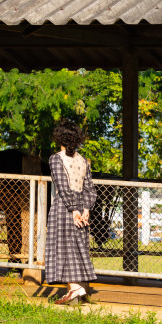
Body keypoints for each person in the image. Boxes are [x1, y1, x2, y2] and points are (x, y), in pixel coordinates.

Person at [45, 119, 97, 304]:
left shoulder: (56, 159)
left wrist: (73, 209)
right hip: (81, 207)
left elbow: (62, 186)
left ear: (59, 137)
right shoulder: (83, 160)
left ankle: (75, 288)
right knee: (76, 247)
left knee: (63, 247)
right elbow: (90, 188)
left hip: (64, 208)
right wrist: (85, 209)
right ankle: (75, 289)